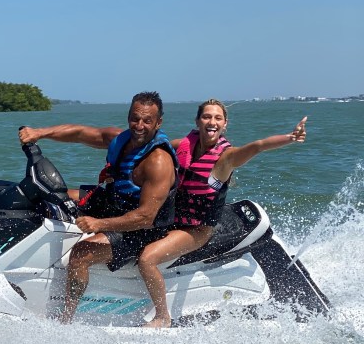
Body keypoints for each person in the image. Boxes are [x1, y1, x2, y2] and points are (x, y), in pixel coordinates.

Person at [136, 99, 308, 328]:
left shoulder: (225, 158)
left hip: (197, 230)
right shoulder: (185, 144)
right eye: (207, 116)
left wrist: (290, 138)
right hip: (171, 219)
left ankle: (162, 317)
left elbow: (257, 146)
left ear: (224, 124)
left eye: (218, 118)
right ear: (198, 121)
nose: (212, 122)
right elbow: (152, 148)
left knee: (147, 259)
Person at [18, 91, 178, 324]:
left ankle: (66, 318)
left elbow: (146, 216)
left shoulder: (158, 162)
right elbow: (81, 133)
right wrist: (39, 133)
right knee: (54, 196)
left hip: (144, 228)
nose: (139, 125)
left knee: (81, 254)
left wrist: (98, 224)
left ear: (158, 122)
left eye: (147, 120)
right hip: (114, 202)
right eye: (135, 118)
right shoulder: (121, 140)